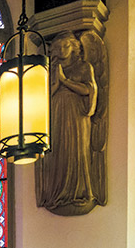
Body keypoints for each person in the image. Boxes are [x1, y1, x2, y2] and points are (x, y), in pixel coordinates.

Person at [36, 31, 99, 214]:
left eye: (66, 46)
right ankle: (57, 192)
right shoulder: (50, 69)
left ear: (74, 47)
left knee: (75, 148)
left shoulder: (83, 66)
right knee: (57, 150)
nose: (62, 50)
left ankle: (78, 190)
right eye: (58, 47)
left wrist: (66, 81)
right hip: (56, 112)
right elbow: (43, 97)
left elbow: (89, 89)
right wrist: (57, 83)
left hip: (76, 113)